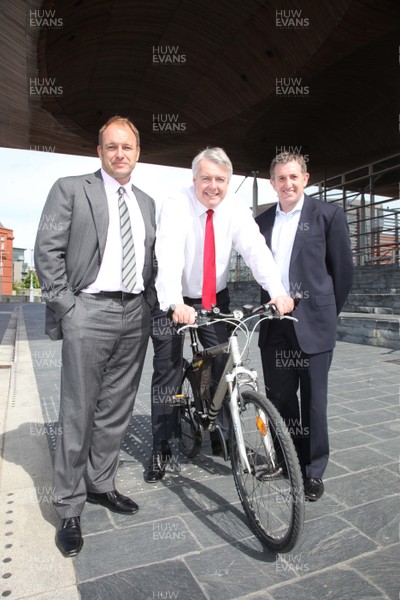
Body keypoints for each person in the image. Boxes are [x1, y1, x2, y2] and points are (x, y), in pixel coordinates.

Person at [34, 116, 156, 557]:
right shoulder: (71, 188)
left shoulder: (146, 202)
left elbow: (151, 259)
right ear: (99, 151)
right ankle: (68, 507)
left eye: (127, 147)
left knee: (116, 410)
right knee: (78, 411)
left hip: (134, 315)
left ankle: (101, 483)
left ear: (137, 153)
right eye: (111, 147)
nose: (119, 154)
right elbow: (47, 251)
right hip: (88, 310)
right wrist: (67, 307)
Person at [145, 146, 294, 483]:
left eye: (221, 180)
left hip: (214, 296)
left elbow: (256, 251)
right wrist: (172, 302)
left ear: (229, 182)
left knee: (222, 366)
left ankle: (225, 436)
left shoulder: (234, 208)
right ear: (194, 179)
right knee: (167, 371)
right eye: (206, 179)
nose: (213, 186)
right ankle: (161, 446)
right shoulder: (176, 204)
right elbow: (167, 253)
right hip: (175, 297)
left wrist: (278, 293)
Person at [256, 152, 353, 501]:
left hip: (314, 324)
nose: (288, 184)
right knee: (280, 398)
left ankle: (312, 470)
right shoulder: (262, 222)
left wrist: (326, 312)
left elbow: (343, 273)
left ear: (306, 178)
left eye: (293, 177)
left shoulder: (328, 215)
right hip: (275, 325)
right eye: (281, 178)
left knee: (314, 401)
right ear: (272, 183)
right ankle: (286, 459)